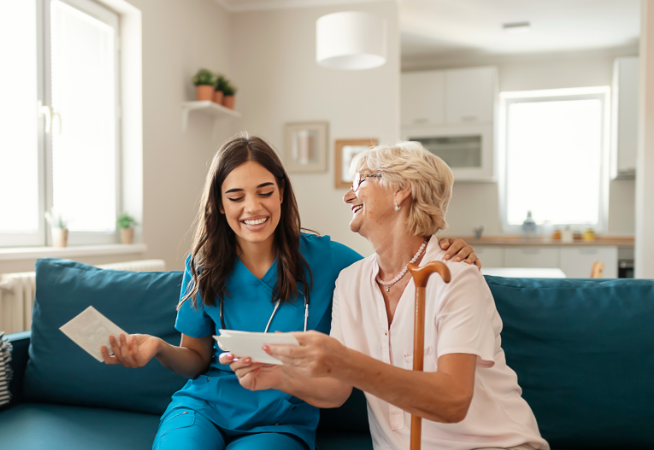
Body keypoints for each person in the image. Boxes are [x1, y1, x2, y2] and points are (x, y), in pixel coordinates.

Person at [100, 135, 480, 450]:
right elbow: (197, 359)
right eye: (235, 197)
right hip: (202, 408)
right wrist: (158, 349)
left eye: (265, 191)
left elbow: (397, 259)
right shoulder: (203, 263)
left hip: (281, 418)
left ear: (282, 193)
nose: (253, 207)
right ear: (218, 204)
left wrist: (445, 246)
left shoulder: (329, 260)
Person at [226, 142, 549, 450]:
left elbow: (452, 402)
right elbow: (336, 389)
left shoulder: (454, 276)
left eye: (360, 180)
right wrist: (280, 376)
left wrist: (346, 361)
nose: (348, 195)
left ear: (401, 190)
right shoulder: (352, 281)